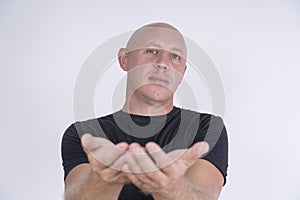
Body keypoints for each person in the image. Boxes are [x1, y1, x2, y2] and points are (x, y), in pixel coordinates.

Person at [61, 22, 228, 200]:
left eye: (175, 56)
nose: (163, 63)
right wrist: (105, 181)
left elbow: (203, 195)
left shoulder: (206, 127)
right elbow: (76, 196)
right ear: (124, 59)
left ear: (182, 72)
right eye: (152, 51)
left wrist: (169, 188)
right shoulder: (85, 134)